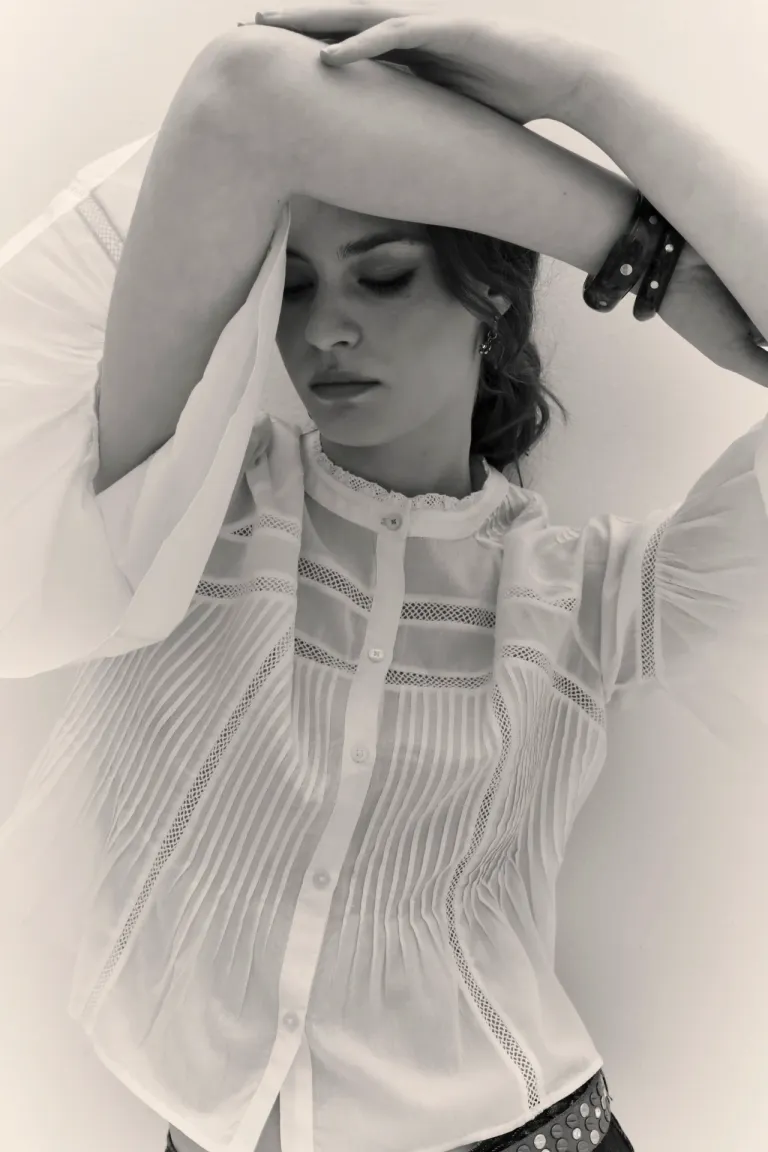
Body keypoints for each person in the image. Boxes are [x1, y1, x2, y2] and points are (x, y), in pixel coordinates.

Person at [0, 11, 767, 1152]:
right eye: (294, 287)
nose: (327, 331)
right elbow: (242, 99)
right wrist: (625, 234)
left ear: (492, 298)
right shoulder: (182, 507)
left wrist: (589, 89)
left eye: (387, 275)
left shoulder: (589, 601)